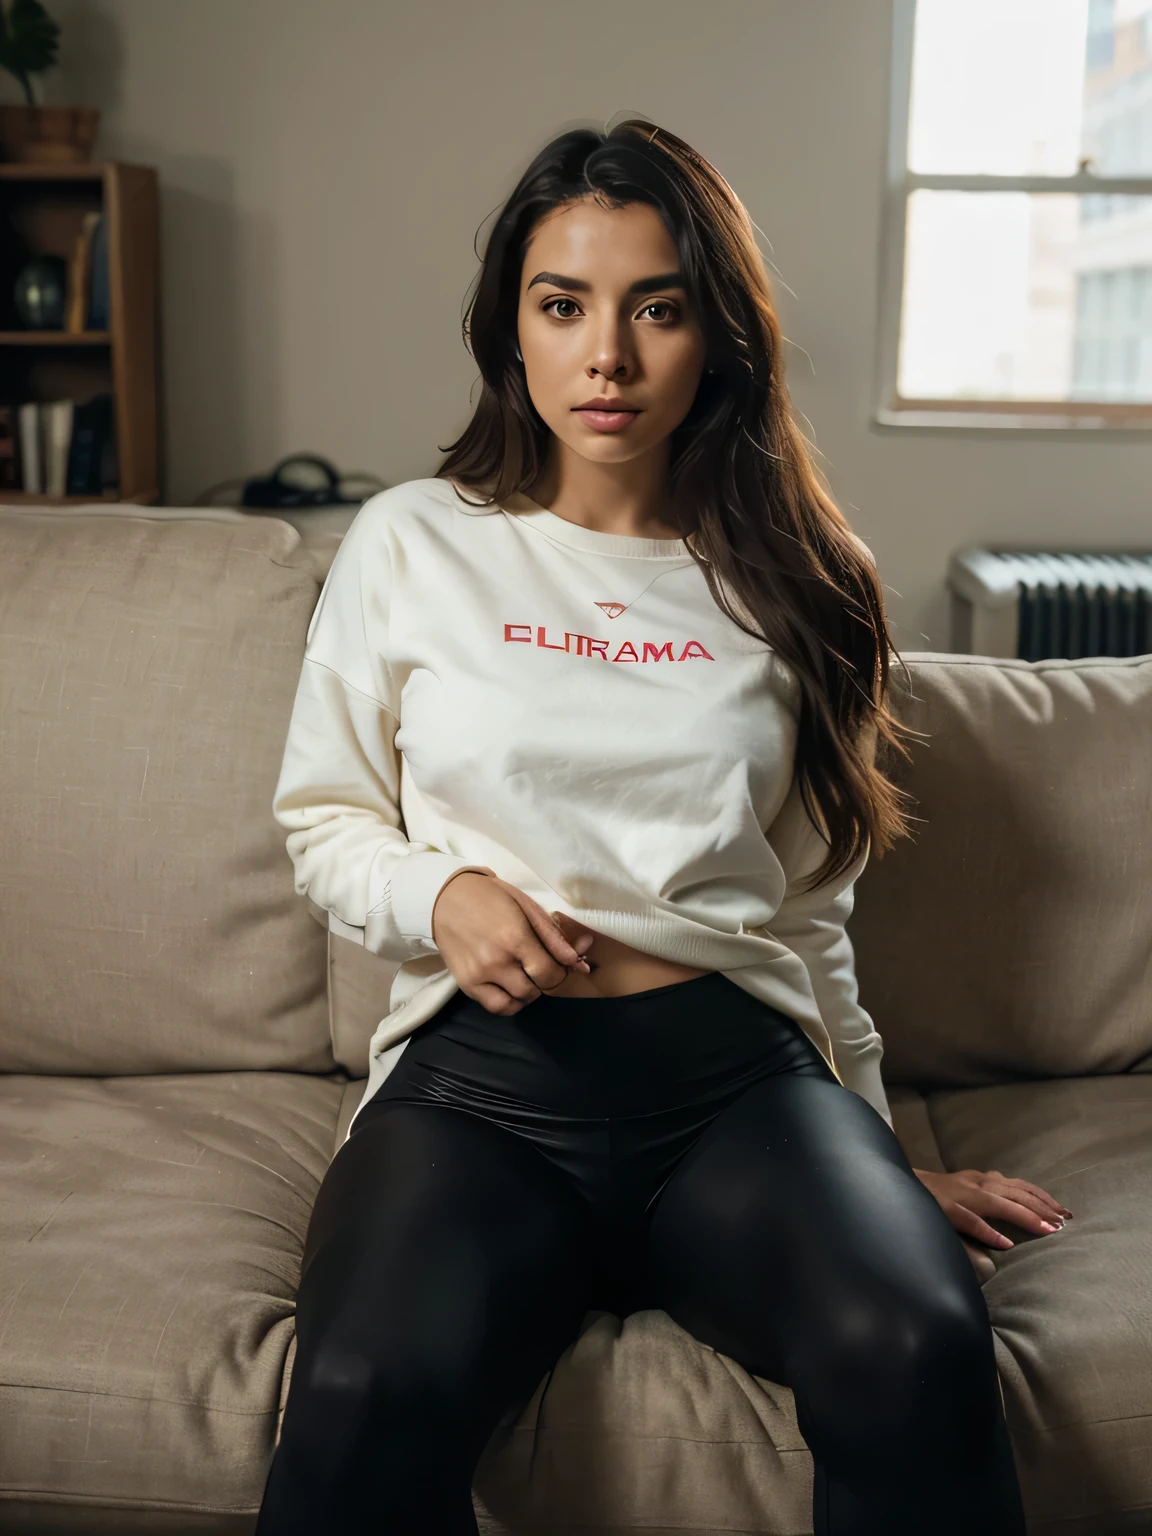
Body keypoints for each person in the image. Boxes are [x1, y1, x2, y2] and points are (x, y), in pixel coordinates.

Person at [256, 118, 1069, 1536]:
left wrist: (872, 1165)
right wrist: (438, 893)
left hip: (735, 1089)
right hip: (478, 1086)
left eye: (658, 309)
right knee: (361, 1384)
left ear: (721, 338)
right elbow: (326, 820)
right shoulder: (410, 541)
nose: (607, 358)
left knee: (920, 1346)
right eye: (562, 306)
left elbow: (813, 915)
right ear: (511, 329)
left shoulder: (811, 582)